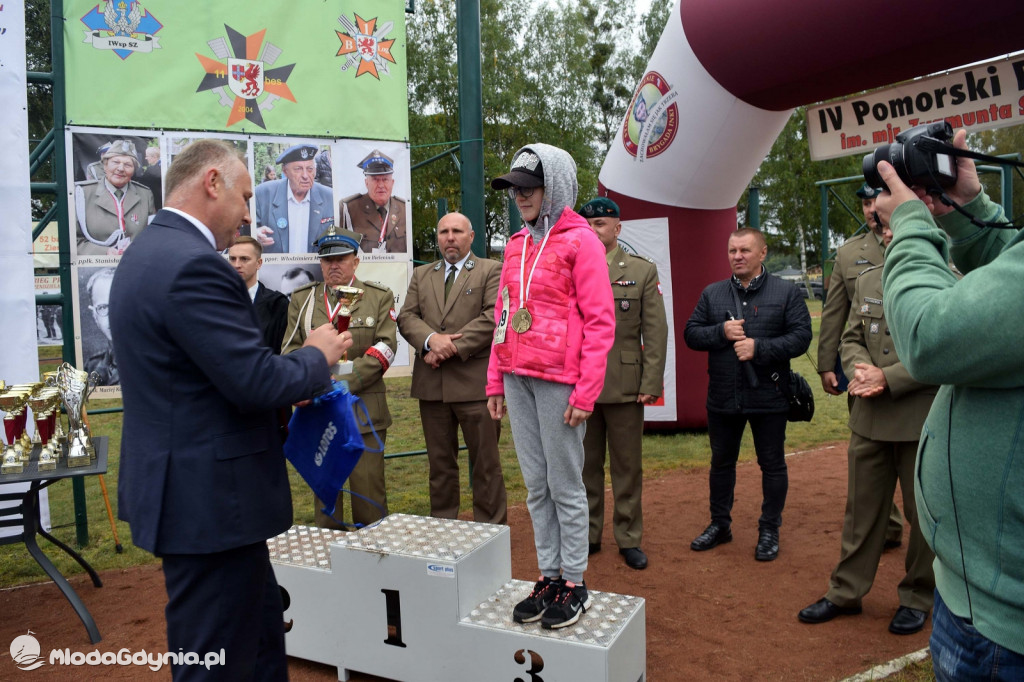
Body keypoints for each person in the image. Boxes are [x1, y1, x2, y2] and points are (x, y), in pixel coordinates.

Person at [107, 138, 352, 680]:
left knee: (258, 641)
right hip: (211, 501)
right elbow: (252, 380)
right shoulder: (195, 265)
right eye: (244, 197)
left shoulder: (148, 252)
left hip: (199, 495)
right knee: (217, 660)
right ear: (211, 183)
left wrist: (291, 388)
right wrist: (317, 355)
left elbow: (202, 378)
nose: (248, 214)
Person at [874, 128, 1024, 679]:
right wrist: (969, 206)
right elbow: (1010, 269)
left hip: (1002, 626)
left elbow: (929, 337)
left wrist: (911, 223)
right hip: (990, 596)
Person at [487, 144, 615, 630]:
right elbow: (504, 314)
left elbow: (602, 322)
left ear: (555, 185)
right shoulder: (517, 244)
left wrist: (586, 392)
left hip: (561, 381)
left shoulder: (582, 243)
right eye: (515, 188)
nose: (520, 196)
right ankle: (549, 576)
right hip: (518, 379)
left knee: (565, 485)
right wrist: (495, 378)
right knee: (536, 486)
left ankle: (576, 581)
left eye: (529, 186)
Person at [798, 223, 937, 635]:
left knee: (923, 518)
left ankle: (918, 595)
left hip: (919, 416)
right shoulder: (869, 278)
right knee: (861, 511)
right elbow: (851, 336)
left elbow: (942, 347)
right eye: (886, 226)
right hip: (869, 416)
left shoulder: (945, 277)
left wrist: (887, 377)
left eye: (901, 225)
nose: (890, 233)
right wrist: (861, 367)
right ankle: (845, 591)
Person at [684, 227, 811, 561]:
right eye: (732, 251)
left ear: (762, 253)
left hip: (769, 397)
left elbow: (801, 338)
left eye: (744, 250)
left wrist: (760, 348)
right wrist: (720, 331)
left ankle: (769, 529)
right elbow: (691, 334)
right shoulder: (713, 294)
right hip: (723, 397)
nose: (737, 256)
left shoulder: (786, 292)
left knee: (771, 464)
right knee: (721, 464)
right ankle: (719, 525)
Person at [282, 225, 398, 529]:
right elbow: (290, 351)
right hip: (318, 413)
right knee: (326, 502)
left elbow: (386, 348)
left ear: (355, 261)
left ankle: (374, 570)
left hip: (363, 411)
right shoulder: (303, 301)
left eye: (341, 259)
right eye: (327, 260)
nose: (334, 266)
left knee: (369, 499)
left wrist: (341, 384)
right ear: (320, 263)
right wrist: (317, 384)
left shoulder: (378, 297)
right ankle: (329, 570)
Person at [396, 212, 506, 524]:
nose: (450, 237)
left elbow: (492, 317)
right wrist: (431, 340)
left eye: (457, 231)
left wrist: (448, 348)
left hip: (475, 387)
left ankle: (491, 532)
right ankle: (443, 528)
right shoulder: (423, 275)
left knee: (485, 464)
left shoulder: (490, 270)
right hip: (432, 388)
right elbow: (407, 317)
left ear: (471, 236)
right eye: (444, 231)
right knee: (440, 465)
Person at [579, 197, 667, 571]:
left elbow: (655, 330)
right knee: (584, 466)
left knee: (627, 466)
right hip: (580, 384)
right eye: (590, 224)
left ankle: (629, 537)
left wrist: (651, 381)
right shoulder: (572, 267)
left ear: (618, 228)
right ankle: (587, 535)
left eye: (601, 223)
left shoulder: (641, 271)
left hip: (625, 383)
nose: (595, 230)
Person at [818, 183, 904, 550]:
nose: (871, 209)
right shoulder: (849, 254)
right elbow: (835, 312)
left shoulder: (928, 243)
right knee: (868, 457)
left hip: (914, 372)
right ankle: (884, 526)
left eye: (877, 201)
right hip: (863, 370)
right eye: (866, 203)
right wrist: (827, 365)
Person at [74, 139, 156, 256]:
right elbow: (73, 240)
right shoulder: (83, 194)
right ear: (105, 165)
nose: (121, 168)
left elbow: (152, 235)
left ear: (133, 170)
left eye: (128, 164)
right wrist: (105, 252)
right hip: (95, 269)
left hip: (134, 263)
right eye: (115, 162)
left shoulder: (145, 194)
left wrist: (137, 248)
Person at [254, 144, 334, 254]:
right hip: (274, 270)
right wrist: (254, 235)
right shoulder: (262, 194)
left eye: (310, 169)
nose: (305, 175)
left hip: (316, 269)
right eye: (298, 169)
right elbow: (244, 233)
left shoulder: (330, 197)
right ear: (285, 171)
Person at [228, 236, 289, 354]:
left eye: (244, 259)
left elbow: (283, 352)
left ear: (259, 263)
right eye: (232, 259)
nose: (237, 265)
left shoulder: (278, 304)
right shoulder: (218, 300)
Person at [339, 150, 407, 254]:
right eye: (375, 179)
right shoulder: (349, 209)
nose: (380, 185)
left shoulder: (404, 209)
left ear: (392, 183)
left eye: (385, 179)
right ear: (366, 183)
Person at [83, 267, 118, 386]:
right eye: (103, 307)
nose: (112, 316)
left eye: (120, 304)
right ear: (94, 315)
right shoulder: (92, 365)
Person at [139, 146, 163, 211]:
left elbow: (141, 185)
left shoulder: (151, 170)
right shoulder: (164, 166)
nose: (145, 158)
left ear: (154, 157)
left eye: (147, 156)